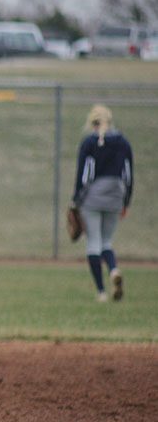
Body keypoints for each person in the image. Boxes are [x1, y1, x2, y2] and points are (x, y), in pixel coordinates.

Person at [71, 104, 133, 302]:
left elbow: (84, 175)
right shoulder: (123, 142)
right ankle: (113, 269)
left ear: (92, 122)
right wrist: (126, 202)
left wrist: (76, 200)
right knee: (106, 241)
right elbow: (128, 175)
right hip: (116, 195)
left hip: (93, 197)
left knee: (94, 243)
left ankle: (101, 291)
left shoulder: (90, 142)